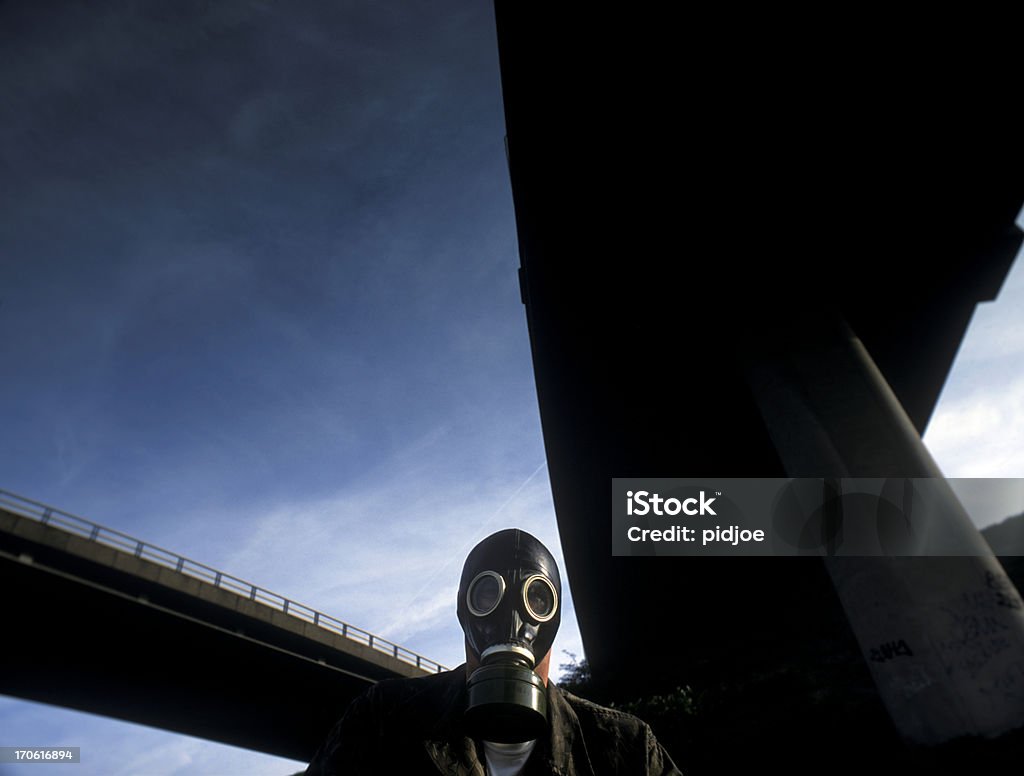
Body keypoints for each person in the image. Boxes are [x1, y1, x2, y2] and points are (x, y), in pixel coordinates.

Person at [305, 528, 681, 775]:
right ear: (462, 611)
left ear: (554, 617)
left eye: (537, 598)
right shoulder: (381, 723)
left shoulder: (626, 750)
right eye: (488, 595)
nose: (513, 622)